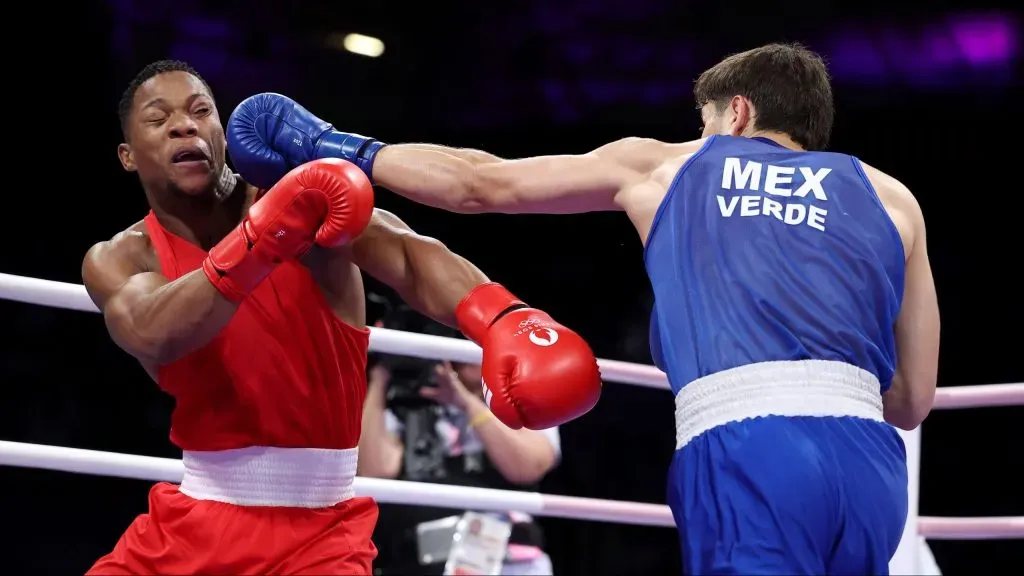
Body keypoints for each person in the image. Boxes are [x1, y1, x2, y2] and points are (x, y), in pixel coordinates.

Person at [226, 42, 941, 574]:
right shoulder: (894, 198)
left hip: (750, 449)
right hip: (872, 468)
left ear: (737, 112)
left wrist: (333, 148)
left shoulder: (674, 163)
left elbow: (482, 185)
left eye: (703, 121)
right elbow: (911, 400)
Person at [81, 59, 601, 575]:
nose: (184, 124)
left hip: (318, 533)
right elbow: (152, 331)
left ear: (222, 130)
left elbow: (408, 254)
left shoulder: (304, 201)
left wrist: (501, 316)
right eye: (159, 118)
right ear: (127, 155)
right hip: (188, 524)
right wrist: (261, 240)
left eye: (201, 111)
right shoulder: (121, 257)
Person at [359, 314, 559, 575]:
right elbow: (374, 472)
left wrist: (465, 402)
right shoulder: (408, 405)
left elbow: (529, 466)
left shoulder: (522, 402)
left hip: (509, 562)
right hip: (421, 563)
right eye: (464, 339)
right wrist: (381, 374)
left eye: (482, 341)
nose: (472, 349)